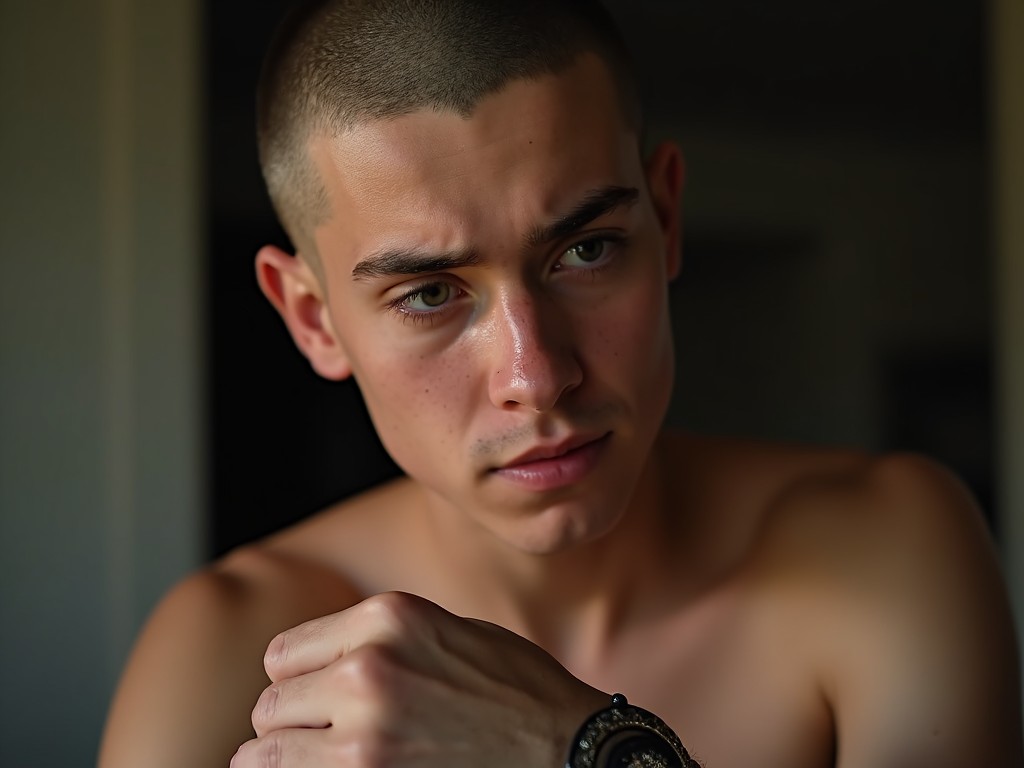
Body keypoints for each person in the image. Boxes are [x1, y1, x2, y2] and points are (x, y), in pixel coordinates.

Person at [98, 1, 1023, 766]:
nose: (534, 377)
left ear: (664, 218)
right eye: (428, 294)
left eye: (586, 250)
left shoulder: (886, 545)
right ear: (312, 317)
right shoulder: (227, 653)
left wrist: (578, 748)